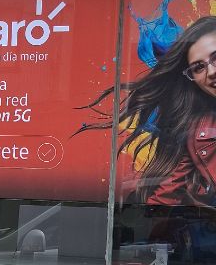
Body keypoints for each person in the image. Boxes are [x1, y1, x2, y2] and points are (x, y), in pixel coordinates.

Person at [85, 15, 216, 208]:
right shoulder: (197, 132)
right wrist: (146, 221)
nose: (211, 72)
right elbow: (168, 194)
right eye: (199, 67)